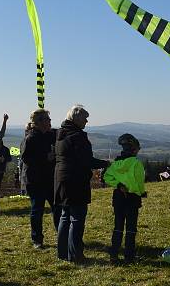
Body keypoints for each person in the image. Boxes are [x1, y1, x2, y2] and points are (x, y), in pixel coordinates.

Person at [54, 105, 109, 263]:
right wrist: (105, 164)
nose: (86, 120)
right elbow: (87, 160)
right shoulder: (77, 136)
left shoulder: (60, 133)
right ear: (76, 118)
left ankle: (62, 253)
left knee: (65, 217)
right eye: (84, 117)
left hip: (61, 179)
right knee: (77, 218)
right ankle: (76, 255)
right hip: (75, 180)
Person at [104, 134, 146, 263]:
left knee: (118, 226)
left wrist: (118, 185)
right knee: (131, 228)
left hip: (118, 197)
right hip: (132, 198)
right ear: (134, 149)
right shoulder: (136, 163)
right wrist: (142, 192)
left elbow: (107, 177)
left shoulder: (116, 163)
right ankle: (129, 256)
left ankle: (114, 254)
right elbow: (139, 181)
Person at [20, 108, 58, 249]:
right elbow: (26, 158)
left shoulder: (50, 135)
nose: (50, 122)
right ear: (39, 122)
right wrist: (45, 158)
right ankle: (37, 239)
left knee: (57, 207)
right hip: (35, 180)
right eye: (48, 120)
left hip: (49, 178)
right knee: (37, 209)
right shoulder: (30, 138)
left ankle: (61, 234)